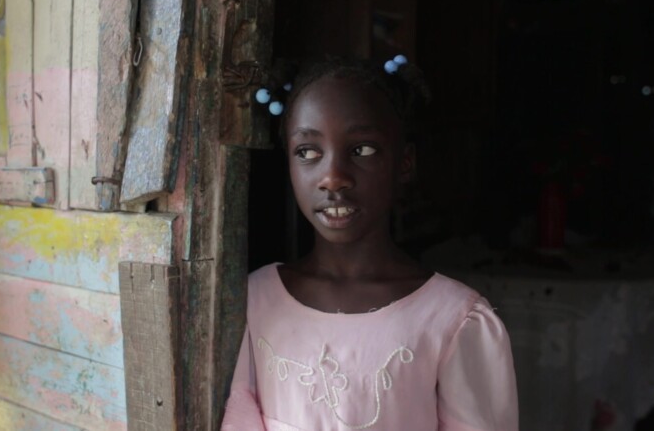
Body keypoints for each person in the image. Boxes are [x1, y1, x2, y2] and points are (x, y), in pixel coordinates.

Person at [221, 56, 518, 431]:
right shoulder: (254, 300)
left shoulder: (452, 320)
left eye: (362, 150)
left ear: (405, 163)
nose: (333, 178)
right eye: (308, 152)